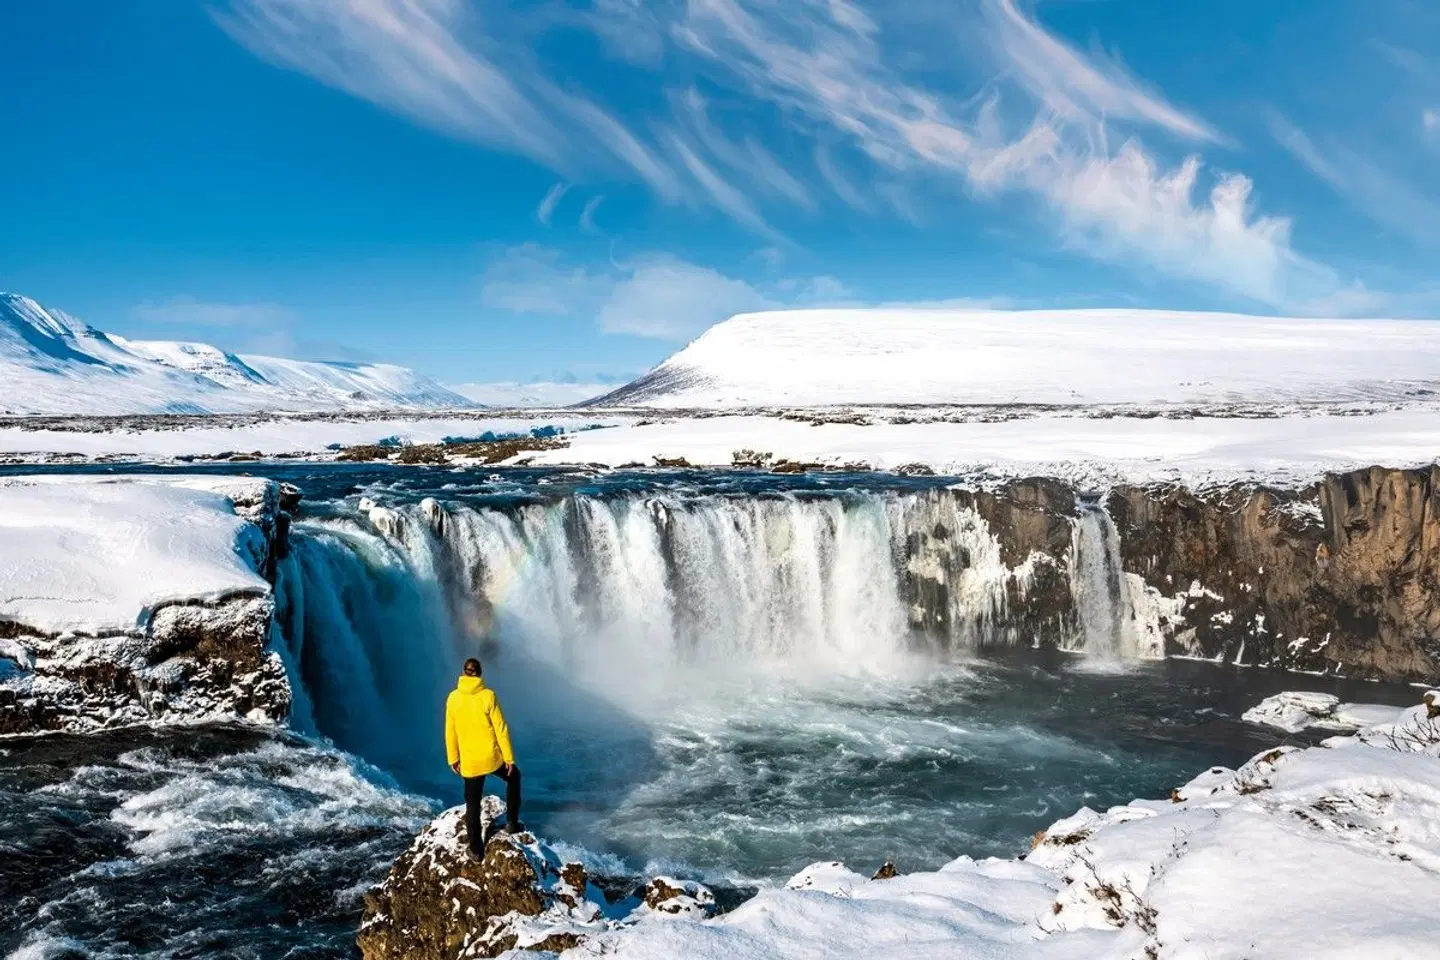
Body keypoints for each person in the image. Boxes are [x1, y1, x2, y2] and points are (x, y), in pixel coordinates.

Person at [445, 657, 522, 855]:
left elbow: (450, 731)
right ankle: (512, 823)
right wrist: (509, 759)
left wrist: (453, 758)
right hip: (492, 758)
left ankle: (476, 850)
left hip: (470, 762)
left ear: (463, 672)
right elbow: (501, 729)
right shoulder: (489, 696)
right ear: (479, 673)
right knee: (514, 777)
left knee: (472, 804)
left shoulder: (453, 698)